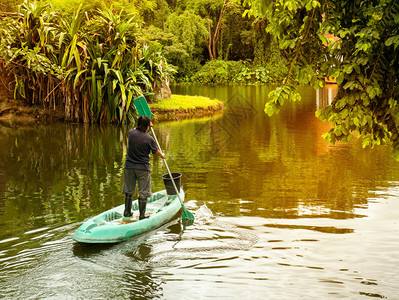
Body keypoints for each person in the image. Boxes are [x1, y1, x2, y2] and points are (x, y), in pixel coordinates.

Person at [122, 116, 165, 221]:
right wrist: (162, 155)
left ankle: (127, 212)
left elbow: (137, 129)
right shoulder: (149, 139)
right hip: (142, 169)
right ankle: (142, 215)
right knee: (143, 192)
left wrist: (146, 125)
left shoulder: (131, 133)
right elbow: (155, 151)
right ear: (147, 126)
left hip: (129, 167)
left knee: (129, 190)